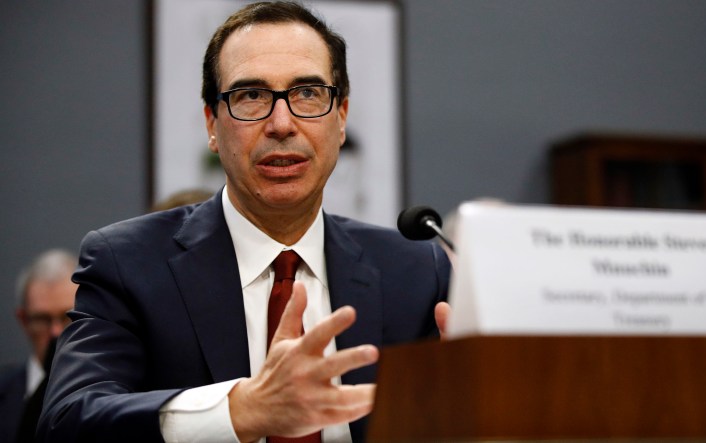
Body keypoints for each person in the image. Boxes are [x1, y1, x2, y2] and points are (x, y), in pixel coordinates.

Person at [38, 2, 451, 442]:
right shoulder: (128, 263)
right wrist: (241, 410)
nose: (281, 123)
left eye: (308, 93)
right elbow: (68, 421)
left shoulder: (413, 270)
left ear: (342, 117)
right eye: (251, 95)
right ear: (212, 125)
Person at [0, 249, 77, 443]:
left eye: (67, 317)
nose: (56, 332)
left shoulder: (118, 393)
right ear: (23, 320)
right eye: (42, 319)